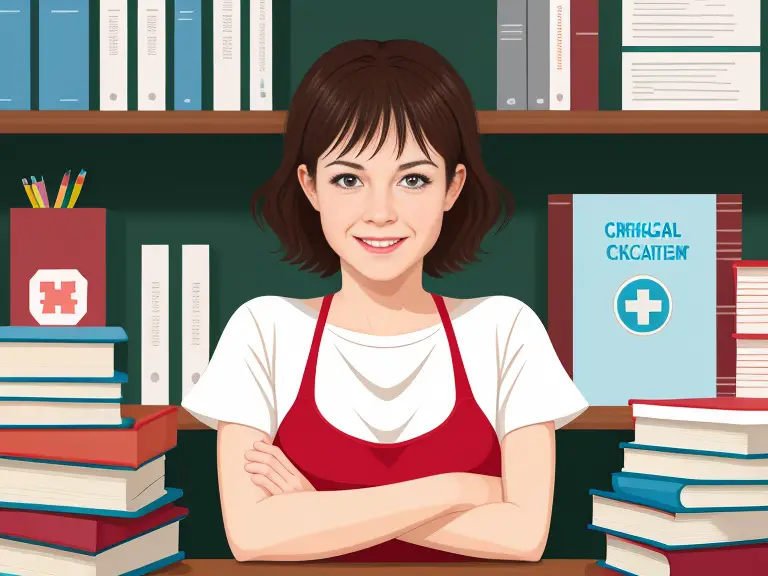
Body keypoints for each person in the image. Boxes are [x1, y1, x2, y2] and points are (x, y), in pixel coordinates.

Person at [181, 38, 588, 563]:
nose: (380, 212)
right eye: (349, 179)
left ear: (452, 186)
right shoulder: (263, 330)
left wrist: (318, 508)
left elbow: (524, 537)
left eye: (413, 179)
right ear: (310, 188)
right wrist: (461, 489)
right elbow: (254, 537)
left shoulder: (506, 329)